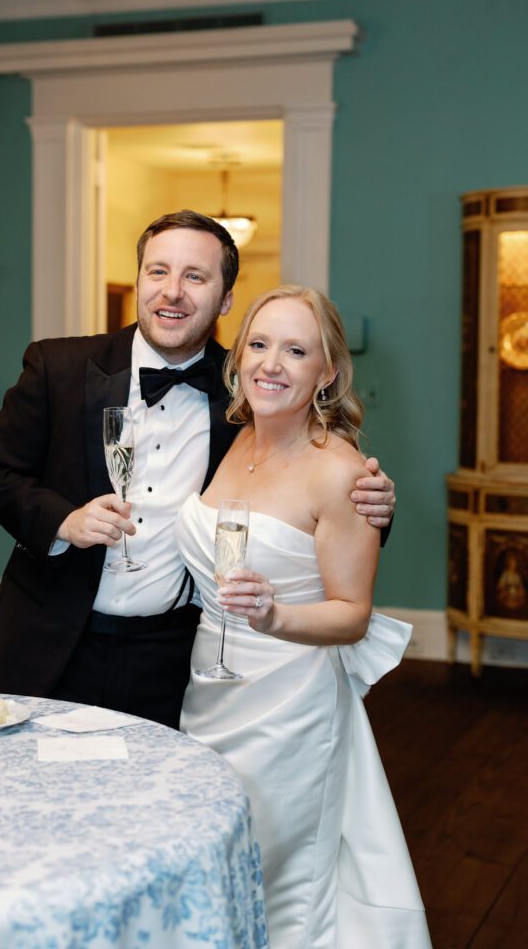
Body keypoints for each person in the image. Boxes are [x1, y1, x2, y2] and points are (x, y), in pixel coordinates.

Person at [0, 211, 395, 729]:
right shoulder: (56, 367)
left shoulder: (246, 394)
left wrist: (373, 501)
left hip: (175, 661)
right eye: (158, 272)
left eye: (195, 276)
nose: (173, 292)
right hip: (48, 644)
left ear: (226, 299)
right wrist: (64, 521)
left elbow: (296, 486)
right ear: (139, 281)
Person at [177, 286, 431, 947]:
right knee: (220, 858)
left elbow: (351, 615)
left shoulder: (340, 472)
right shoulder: (234, 442)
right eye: (259, 345)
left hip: (289, 707)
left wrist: (273, 616)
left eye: (295, 350)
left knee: (278, 871)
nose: (271, 364)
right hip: (210, 688)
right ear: (237, 358)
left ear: (327, 372)